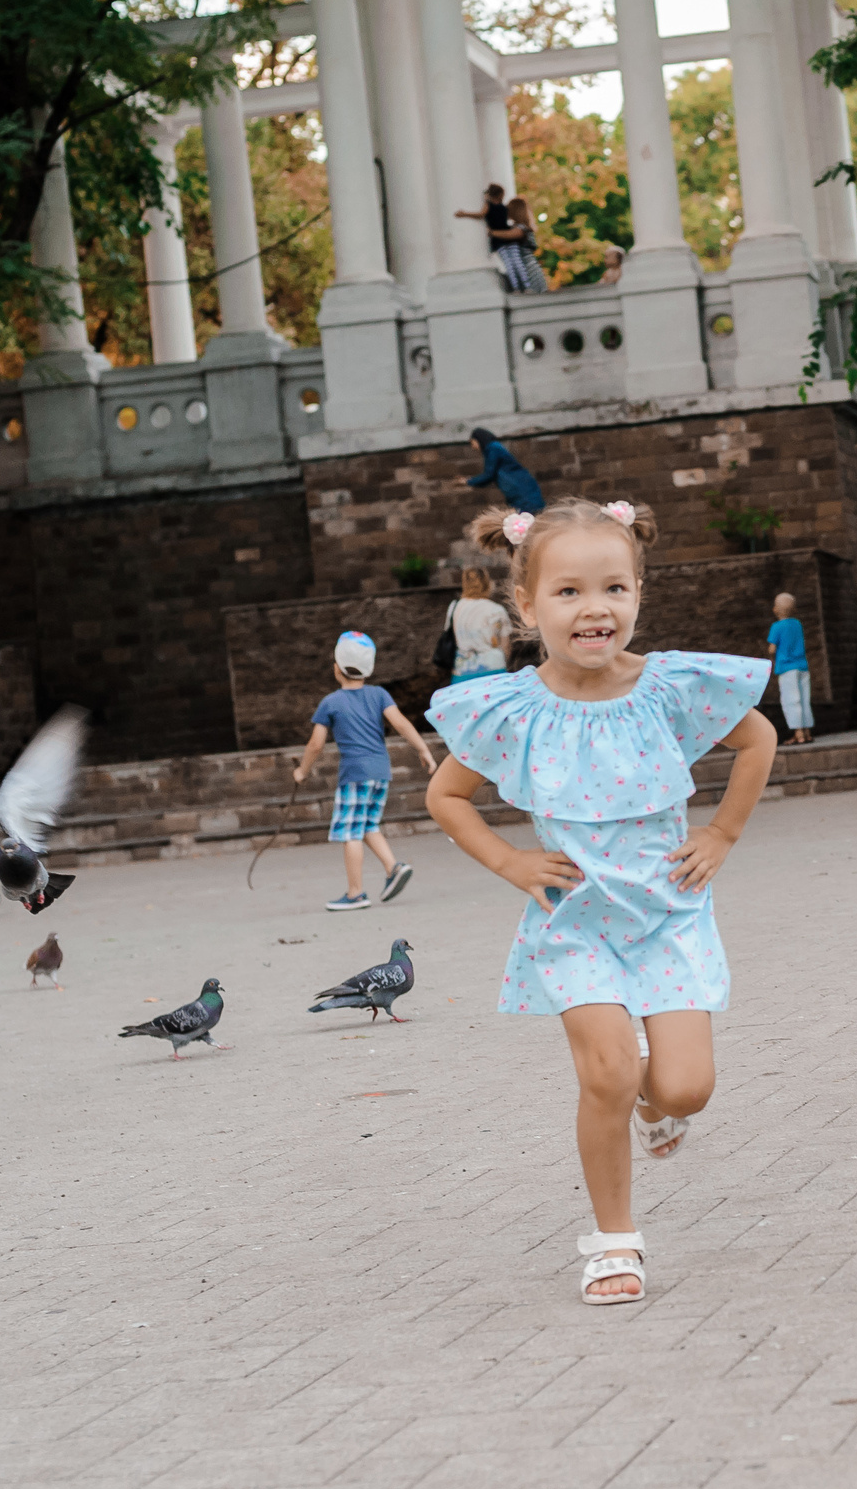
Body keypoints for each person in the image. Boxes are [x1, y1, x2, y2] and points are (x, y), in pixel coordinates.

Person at [420, 497, 776, 1305]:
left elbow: (758, 740)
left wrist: (721, 833)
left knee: (684, 1087)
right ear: (527, 605)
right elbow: (447, 796)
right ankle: (615, 1240)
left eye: (614, 589)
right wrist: (510, 860)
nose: (594, 609)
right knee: (608, 1070)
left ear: (639, 594)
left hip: (668, 914)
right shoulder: (514, 707)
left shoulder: (670, 687)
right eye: (570, 592)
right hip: (574, 921)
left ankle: (657, 1106)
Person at [292, 631, 437, 912]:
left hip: (355, 773)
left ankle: (356, 893)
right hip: (381, 771)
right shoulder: (379, 694)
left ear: (336, 668)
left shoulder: (331, 703)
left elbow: (315, 744)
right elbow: (402, 723)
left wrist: (302, 771)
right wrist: (423, 750)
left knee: (350, 832)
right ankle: (393, 868)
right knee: (367, 825)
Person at [454, 185, 546, 293]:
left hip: (530, 272)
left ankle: (522, 287)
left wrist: (491, 232)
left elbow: (510, 235)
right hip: (528, 270)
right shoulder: (519, 227)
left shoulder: (522, 229)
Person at [449, 568, 511, 683]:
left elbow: (453, 638)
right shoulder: (497, 610)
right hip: (494, 667)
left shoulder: (454, 607)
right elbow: (505, 645)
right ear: (487, 583)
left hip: (463, 669)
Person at [767, 592, 813, 744]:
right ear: (794, 610)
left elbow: (772, 649)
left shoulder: (776, 627)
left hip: (787, 668)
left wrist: (771, 655)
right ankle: (807, 732)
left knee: (791, 700)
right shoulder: (797, 624)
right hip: (802, 666)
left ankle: (798, 733)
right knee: (804, 699)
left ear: (775, 610)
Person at [464, 428, 547, 511]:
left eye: (472, 443)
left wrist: (468, 481)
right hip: (522, 492)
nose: (473, 447)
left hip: (522, 493)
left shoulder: (493, 449)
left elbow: (489, 474)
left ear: (478, 439)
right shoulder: (493, 448)